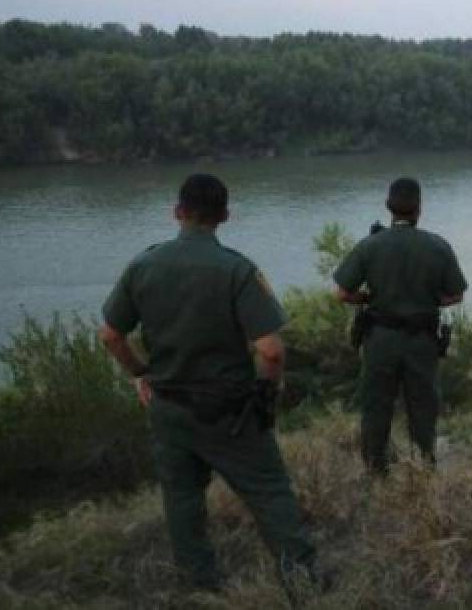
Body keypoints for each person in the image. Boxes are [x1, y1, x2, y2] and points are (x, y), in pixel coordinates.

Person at [98, 173, 316, 593]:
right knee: (269, 492)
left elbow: (110, 334)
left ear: (177, 212)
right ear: (225, 216)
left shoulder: (142, 265)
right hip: (229, 409)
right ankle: (301, 580)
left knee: (182, 500)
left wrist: (141, 374)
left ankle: (199, 585)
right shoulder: (237, 270)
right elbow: (270, 350)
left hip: (169, 407)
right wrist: (267, 393)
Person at [332, 177, 468, 474]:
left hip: (380, 338)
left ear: (387, 207)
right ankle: (424, 466)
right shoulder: (437, 246)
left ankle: (376, 471)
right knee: (422, 406)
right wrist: (429, 300)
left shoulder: (370, 245)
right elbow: (456, 294)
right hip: (422, 340)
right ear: (419, 208)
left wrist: (367, 297)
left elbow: (342, 292)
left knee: (376, 405)